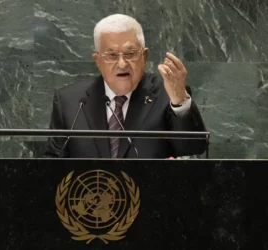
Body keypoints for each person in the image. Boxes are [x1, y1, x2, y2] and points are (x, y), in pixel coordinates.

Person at [43, 14, 207, 158]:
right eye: (112, 55)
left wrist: (180, 101)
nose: (122, 64)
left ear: (144, 56)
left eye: (130, 54)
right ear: (98, 61)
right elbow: (54, 164)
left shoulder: (167, 94)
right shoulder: (70, 101)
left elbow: (193, 148)